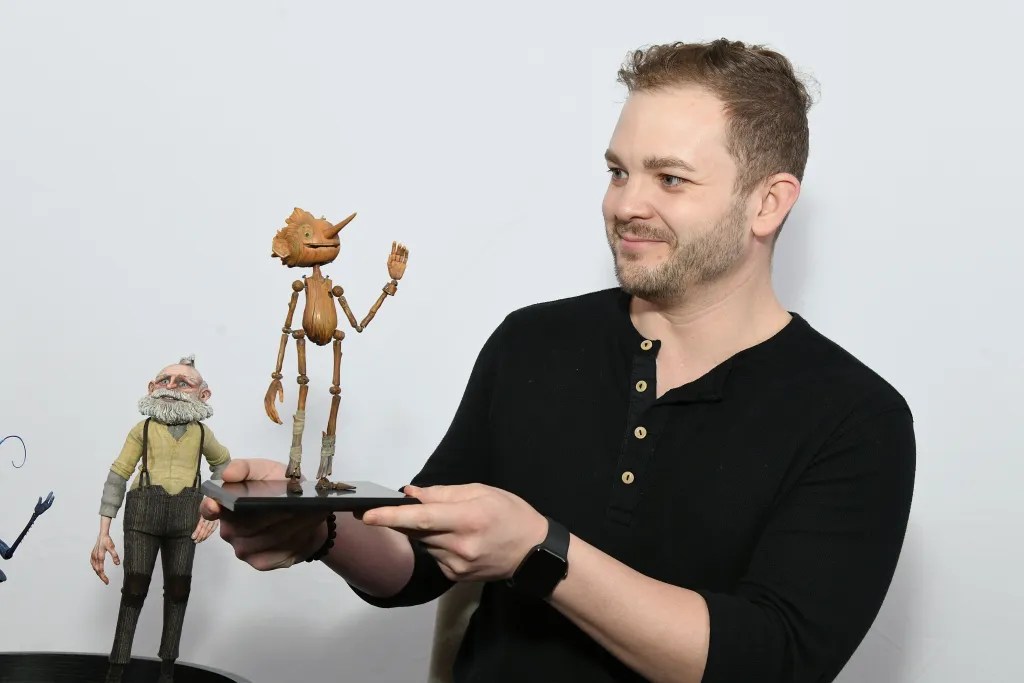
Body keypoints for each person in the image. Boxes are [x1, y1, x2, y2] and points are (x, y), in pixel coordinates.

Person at [201, 38, 916, 683]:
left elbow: (769, 661)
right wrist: (323, 526)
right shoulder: (533, 343)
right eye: (618, 171)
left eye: (670, 179)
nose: (627, 204)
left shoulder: (855, 418)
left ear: (768, 203)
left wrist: (540, 551)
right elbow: (422, 561)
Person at [92, 355, 232, 683]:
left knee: (179, 590)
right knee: (134, 588)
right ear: (151, 388)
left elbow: (225, 466)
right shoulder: (142, 429)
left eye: (183, 382)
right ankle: (116, 668)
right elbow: (118, 474)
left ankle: (167, 669)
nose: (171, 387)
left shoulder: (202, 434)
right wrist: (103, 531)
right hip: (143, 515)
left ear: (203, 395)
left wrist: (215, 504)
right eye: (164, 381)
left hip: (186, 519)